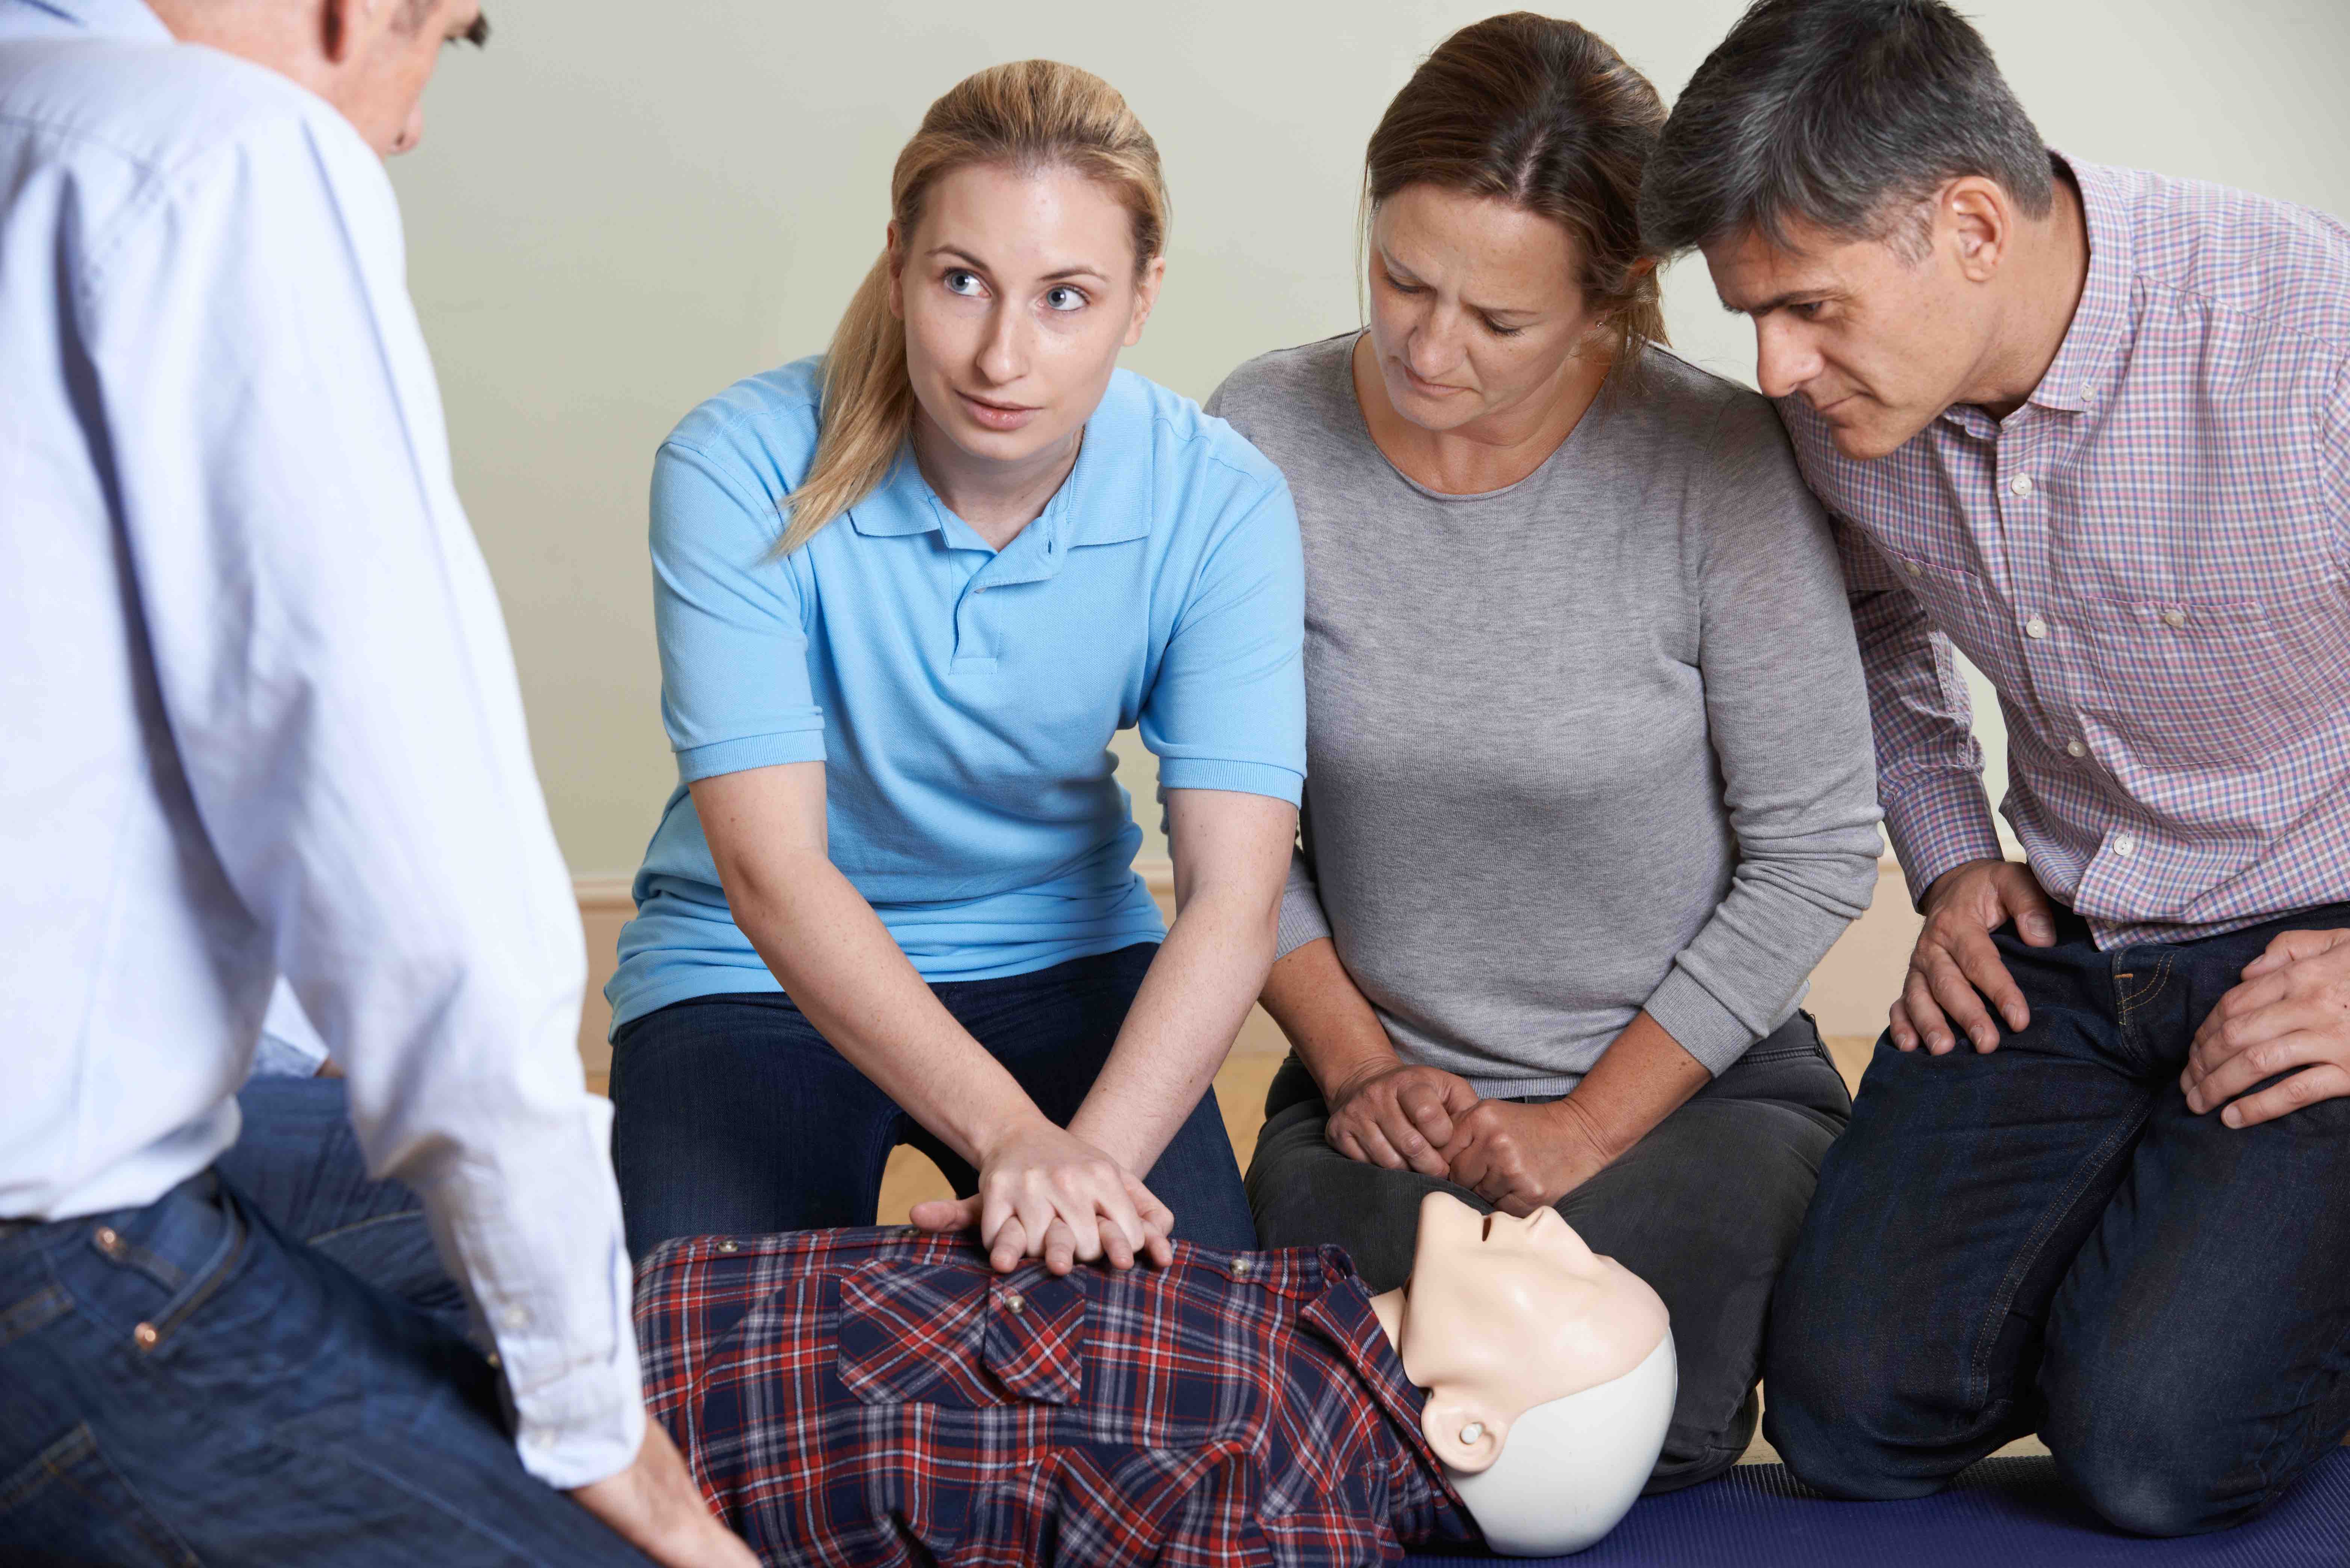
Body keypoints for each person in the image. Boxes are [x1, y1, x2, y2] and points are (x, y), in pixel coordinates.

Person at [0, 2, 749, 1562]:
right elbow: (437, 913)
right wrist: (626, 1466)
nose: (406, 125)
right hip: (55, 1266)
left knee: (605, 1202)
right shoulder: (213, 157)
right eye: (449, 43)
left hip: (134, 1150)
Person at [1640, 0, 2350, 1537]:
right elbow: (1880, 629)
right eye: (1749, 315)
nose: (1773, 369)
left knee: (2151, 1455)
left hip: (2321, 938)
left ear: (1968, 224)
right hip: (2075, 930)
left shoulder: (2309, 327)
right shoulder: (1850, 407)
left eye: (1808, 307)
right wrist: (1954, 853)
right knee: (1847, 1420)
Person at [1208, 12, 1881, 1491]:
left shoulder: (1713, 465)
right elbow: (1222, 821)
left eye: (1497, 320)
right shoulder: (1260, 437)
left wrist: (1583, 1128)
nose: (1426, 345)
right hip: (1389, 1096)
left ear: (1615, 296)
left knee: (1642, 1436)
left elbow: (1816, 849)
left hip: (1687, 1095)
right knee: (1372, 1439)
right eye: (1398, 278)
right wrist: (1356, 1064)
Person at [604, 60, 1303, 1275]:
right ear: (896, 265)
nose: (1001, 356)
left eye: (1066, 298)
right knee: (701, 1383)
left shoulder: (1220, 500)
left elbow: (1237, 899)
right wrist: (1011, 1137)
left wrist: (1084, 1162)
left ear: (1142, 301)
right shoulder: (733, 467)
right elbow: (772, 874)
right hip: (746, 964)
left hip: (1064, 956)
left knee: (1179, 1368)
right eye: (963, 282)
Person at [632, 1192, 1673, 1564]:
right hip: (639, 1296)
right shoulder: (1298, 1313)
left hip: (620, 1440)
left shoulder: (1281, 1504)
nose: (1554, 1225)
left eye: (1576, 1284)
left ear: (1469, 1433)